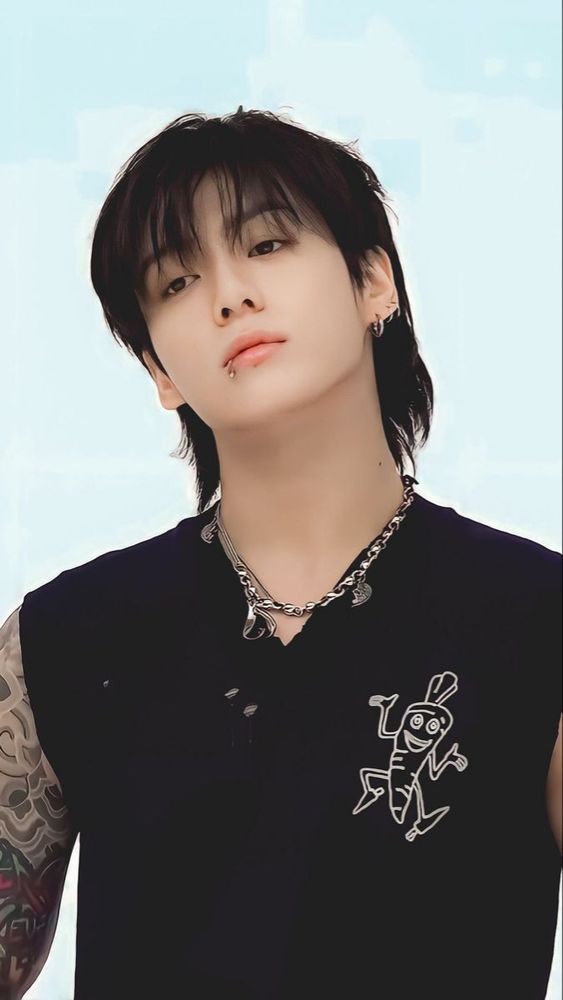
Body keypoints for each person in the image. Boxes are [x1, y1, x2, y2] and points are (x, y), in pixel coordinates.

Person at [0, 106, 560, 1000]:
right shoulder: (63, 638)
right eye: (177, 281)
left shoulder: (534, 618)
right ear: (159, 370)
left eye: (265, 245)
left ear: (373, 282)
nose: (229, 295)